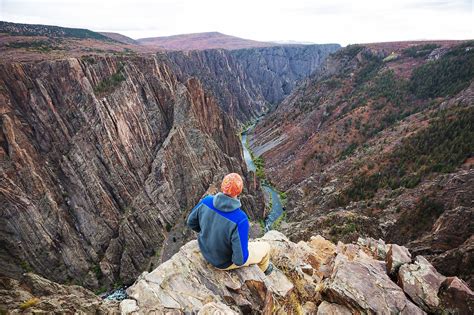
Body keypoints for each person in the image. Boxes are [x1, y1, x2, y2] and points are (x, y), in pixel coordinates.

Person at [187, 173, 273, 275]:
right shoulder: (240, 219)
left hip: (204, 249)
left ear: (222, 186)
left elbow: (191, 222)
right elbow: (239, 260)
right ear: (239, 190)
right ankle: (263, 272)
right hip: (222, 262)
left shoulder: (206, 201)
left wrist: (207, 233)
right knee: (266, 247)